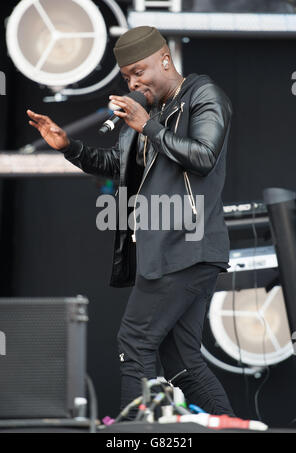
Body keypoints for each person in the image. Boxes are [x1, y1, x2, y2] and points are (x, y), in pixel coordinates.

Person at [27, 26, 235, 419]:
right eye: (126, 77)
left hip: (187, 244)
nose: (134, 82)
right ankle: (234, 429)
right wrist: (69, 147)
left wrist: (148, 126)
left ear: (165, 59)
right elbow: (118, 167)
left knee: (134, 342)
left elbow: (204, 156)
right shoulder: (147, 115)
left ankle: (130, 438)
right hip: (164, 249)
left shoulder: (203, 95)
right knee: (182, 364)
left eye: (139, 71)